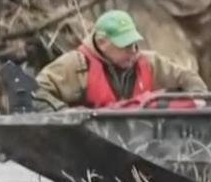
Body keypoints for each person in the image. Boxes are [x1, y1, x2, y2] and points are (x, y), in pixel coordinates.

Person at [32, 9, 207, 111]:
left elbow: (187, 78)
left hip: (142, 142)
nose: (133, 51)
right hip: (91, 145)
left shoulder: (150, 63)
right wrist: (64, 114)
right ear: (102, 43)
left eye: (134, 44)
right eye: (125, 45)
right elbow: (36, 91)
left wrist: (198, 98)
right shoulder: (76, 65)